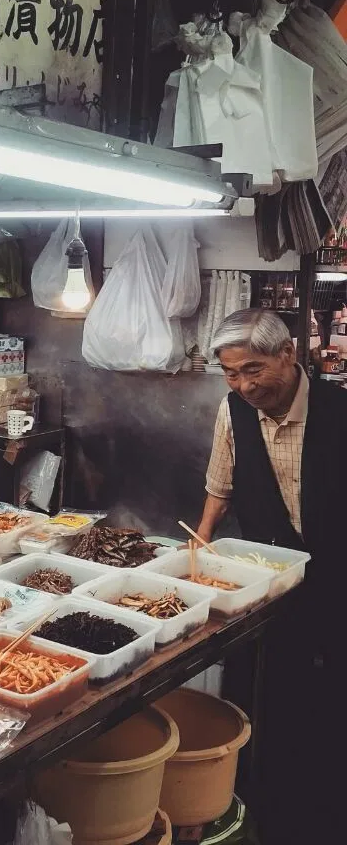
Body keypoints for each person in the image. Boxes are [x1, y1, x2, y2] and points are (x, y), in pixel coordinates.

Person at [198, 308, 341, 843]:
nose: (244, 384)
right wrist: (201, 543)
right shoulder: (233, 410)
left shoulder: (337, 410)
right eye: (231, 373)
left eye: (254, 369)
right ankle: (259, 796)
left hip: (335, 577)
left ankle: (320, 810)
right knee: (263, 693)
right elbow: (221, 482)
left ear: (289, 353)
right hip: (266, 582)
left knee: (328, 699)